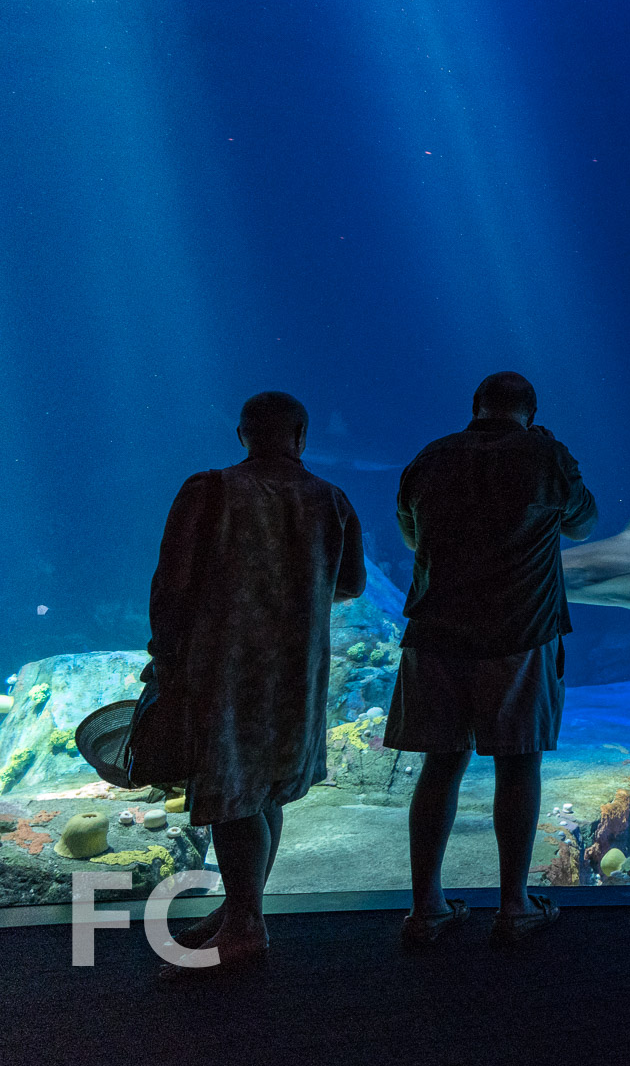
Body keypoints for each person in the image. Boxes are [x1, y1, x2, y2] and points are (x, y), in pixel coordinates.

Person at [149, 391, 367, 976]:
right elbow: (351, 583)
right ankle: (241, 910)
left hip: (224, 664)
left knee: (233, 786)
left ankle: (245, 925)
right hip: (298, 667)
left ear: (242, 434)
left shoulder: (209, 489)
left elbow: (171, 581)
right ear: (302, 436)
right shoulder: (332, 499)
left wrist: (164, 655)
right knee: (265, 787)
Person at [386, 372, 597, 949]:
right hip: (520, 634)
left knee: (440, 766)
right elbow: (584, 522)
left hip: (436, 634)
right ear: (530, 411)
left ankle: (426, 907)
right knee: (518, 763)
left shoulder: (430, 457)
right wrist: (557, 457)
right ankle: (514, 906)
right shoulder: (545, 455)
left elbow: (411, 538)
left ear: (475, 407)